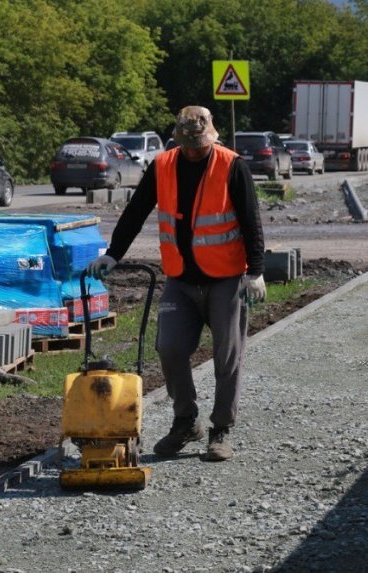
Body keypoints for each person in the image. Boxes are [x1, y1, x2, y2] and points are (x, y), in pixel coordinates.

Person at [86, 105, 266, 462]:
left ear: (211, 137)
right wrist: (113, 253)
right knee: (169, 348)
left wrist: (255, 271)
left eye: (200, 145)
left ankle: (221, 430)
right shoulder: (164, 166)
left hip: (226, 279)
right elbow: (135, 211)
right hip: (181, 278)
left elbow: (251, 221)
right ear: (178, 141)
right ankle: (186, 421)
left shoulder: (232, 166)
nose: (195, 151)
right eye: (189, 146)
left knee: (227, 356)